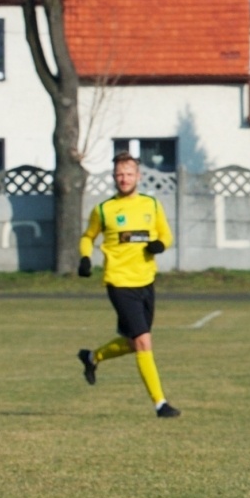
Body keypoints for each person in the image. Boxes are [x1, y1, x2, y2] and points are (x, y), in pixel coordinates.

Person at [76, 153, 181, 417]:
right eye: (120, 174)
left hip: (146, 281)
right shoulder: (103, 210)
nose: (124, 178)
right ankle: (160, 404)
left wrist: (161, 245)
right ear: (114, 177)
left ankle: (91, 357)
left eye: (129, 173)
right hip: (119, 282)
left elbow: (166, 234)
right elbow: (88, 236)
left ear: (138, 176)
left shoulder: (152, 205)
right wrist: (85, 258)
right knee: (144, 341)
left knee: (134, 342)